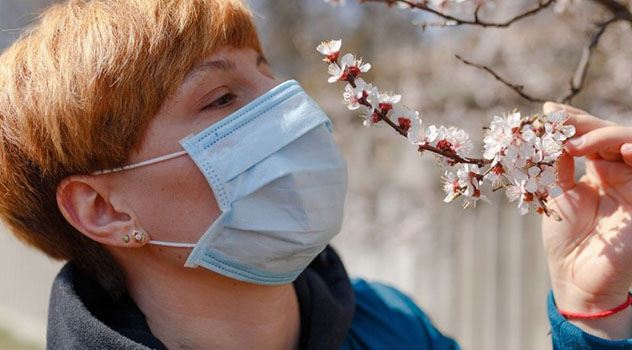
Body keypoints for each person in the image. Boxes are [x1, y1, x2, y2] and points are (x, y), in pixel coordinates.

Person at [0, 0, 631, 349]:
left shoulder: (389, 326)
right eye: (221, 98)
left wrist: (593, 314)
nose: (291, 108)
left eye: (267, 75)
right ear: (105, 209)